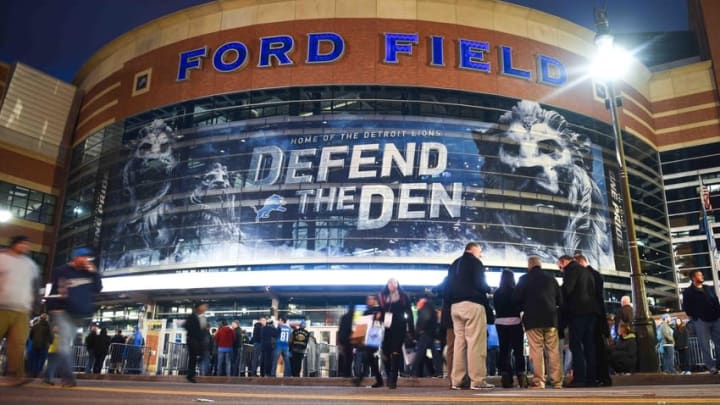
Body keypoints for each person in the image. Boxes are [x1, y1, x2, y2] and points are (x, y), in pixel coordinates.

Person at [47, 247, 103, 387]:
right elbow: (54, 291)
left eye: (88, 258)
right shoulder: (62, 271)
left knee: (63, 346)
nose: (86, 260)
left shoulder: (89, 273)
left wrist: (95, 273)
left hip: (80, 314)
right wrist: (53, 310)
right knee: (64, 344)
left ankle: (53, 373)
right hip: (63, 312)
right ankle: (68, 377)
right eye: (83, 257)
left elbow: (98, 288)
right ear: (75, 258)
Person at [446, 242, 493, 391]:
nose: (481, 255)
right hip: (472, 304)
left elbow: (446, 285)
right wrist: (488, 289)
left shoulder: (455, 263)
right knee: (476, 344)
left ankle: (457, 380)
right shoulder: (476, 262)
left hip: (455, 307)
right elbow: (481, 284)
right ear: (473, 250)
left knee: (460, 344)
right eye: (480, 251)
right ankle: (477, 381)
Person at [514, 256, 563, 389]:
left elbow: (517, 300)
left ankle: (539, 381)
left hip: (532, 320)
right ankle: (557, 381)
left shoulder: (523, 279)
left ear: (529, 266)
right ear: (540, 265)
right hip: (551, 319)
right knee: (553, 350)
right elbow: (560, 300)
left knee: (536, 350)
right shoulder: (551, 279)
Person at [0, 235, 40, 386]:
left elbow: (35, 287)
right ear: (14, 244)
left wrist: (34, 305)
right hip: (2, 307)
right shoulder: (2, 258)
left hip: (22, 310)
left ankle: (17, 375)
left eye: (27, 244)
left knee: (18, 344)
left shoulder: (31, 265)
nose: (25, 247)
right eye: (23, 244)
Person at [558, 254, 597, 387]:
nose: (560, 270)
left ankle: (579, 378)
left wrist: (558, 296)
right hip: (590, 313)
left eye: (560, 267)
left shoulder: (571, 270)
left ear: (564, 262)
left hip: (577, 313)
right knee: (589, 346)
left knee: (575, 344)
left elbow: (567, 290)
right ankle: (591, 378)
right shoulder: (586, 272)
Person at [574, 254, 611, 387]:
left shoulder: (587, 274)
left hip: (591, 315)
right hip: (597, 315)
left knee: (594, 347)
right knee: (597, 347)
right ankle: (601, 377)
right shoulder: (595, 274)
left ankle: (599, 376)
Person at [681, 269, 720, 374]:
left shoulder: (708, 288)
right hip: (701, 321)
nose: (702, 276)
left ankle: (719, 365)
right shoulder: (688, 292)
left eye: (702, 274)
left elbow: (716, 300)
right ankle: (711, 367)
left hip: (716, 318)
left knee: (719, 343)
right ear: (693, 278)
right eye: (699, 275)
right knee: (705, 345)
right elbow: (686, 306)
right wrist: (694, 317)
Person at [379, 278, 414, 389]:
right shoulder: (383, 297)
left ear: (397, 285)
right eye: (389, 283)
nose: (392, 285)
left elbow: (409, 313)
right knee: (385, 352)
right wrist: (379, 316)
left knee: (395, 352)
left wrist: (411, 329)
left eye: (394, 283)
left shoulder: (403, 296)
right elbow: (380, 311)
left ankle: (393, 380)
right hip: (387, 328)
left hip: (399, 327)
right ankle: (389, 375)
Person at [493, 269, 526, 389]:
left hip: (501, 323)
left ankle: (506, 375)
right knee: (518, 350)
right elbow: (521, 306)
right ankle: (521, 375)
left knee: (504, 350)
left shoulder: (497, 293)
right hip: (515, 322)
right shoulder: (516, 291)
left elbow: (496, 308)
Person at [352, 294, 384, 387]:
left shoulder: (379, 310)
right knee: (370, 359)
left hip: (374, 336)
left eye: (371, 299)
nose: (369, 301)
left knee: (368, 357)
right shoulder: (365, 312)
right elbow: (361, 326)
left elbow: (381, 323)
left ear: (375, 301)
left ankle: (360, 379)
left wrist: (379, 316)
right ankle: (378, 380)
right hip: (366, 338)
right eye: (368, 299)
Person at [413, 297, 438, 377]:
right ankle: (434, 371)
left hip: (425, 334)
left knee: (420, 354)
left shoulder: (425, 309)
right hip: (430, 334)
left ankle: (413, 371)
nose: (417, 304)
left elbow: (423, 322)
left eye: (419, 302)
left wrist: (417, 333)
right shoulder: (431, 309)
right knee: (431, 354)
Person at [184, 302, 209, 383]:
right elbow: (186, 326)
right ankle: (190, 375)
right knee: (193, 358)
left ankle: (191, 374)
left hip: (199, 341)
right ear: (198, 307)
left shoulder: (202, 317)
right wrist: (195, 334)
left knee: (196, 357)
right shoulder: (192, 316)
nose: (205, 308)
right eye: (204, 306)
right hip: (193, 340)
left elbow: (203, 329)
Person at [29, 313, 53, 378]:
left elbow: (31, 336)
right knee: (41, 359)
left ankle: (33, 373)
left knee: (35, 359)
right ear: (46, 319)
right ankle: (39, 373)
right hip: (44, 346)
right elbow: (51, 336)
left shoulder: (35, 325)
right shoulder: (48, 326)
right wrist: (51, 342)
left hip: (35, 345)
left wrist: (34, 340)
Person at [337, 305, 354, 378]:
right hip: (348, 341)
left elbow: (340, 330)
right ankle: (348, 373)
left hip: (343, 340)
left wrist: (340, 341)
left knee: (346, 357)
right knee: (349, 358)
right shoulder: (351, 318)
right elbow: (350, 330)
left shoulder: (343, 317)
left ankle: (345, 373)